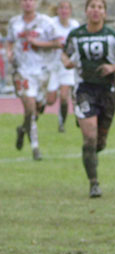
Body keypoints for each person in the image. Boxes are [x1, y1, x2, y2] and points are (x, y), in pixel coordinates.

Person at [62, 0, 115, 198]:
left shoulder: (112, 35)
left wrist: (113, 67)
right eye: (92, 6)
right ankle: (94, 183)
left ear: (105, 12)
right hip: (83, 89)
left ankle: (91, 150)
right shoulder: (76, 35)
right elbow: (64, 53)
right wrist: (67, 62)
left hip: (107, 91)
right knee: (90, 138)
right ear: (86, 11)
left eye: (99, 7)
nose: (95, 10)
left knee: (99, 143)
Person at [6, 0, 60, 161]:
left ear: (36, 3)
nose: (27, 3)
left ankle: (23, 129)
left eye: (30, 0)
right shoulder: (14, 22)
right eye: (24, 0)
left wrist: (38, 43)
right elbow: (9, 41)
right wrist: (9, 52)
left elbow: (58, 43)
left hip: (42, 71)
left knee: (37, 110)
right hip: (22, 71)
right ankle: (35, 148)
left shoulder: (46, 22)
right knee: (29, 108)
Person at [48, 0, 79, 133]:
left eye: (66, 8)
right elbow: (44, 41)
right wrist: (54, 45)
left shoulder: (74, 26)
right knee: (50, 100)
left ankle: (61, 124)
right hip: (52, 65)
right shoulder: (50, 24)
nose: (64, 11)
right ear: (57, 10)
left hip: (66, 66)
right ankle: (41, 105)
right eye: (61, 8)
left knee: (64, 96)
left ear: (70, 11)